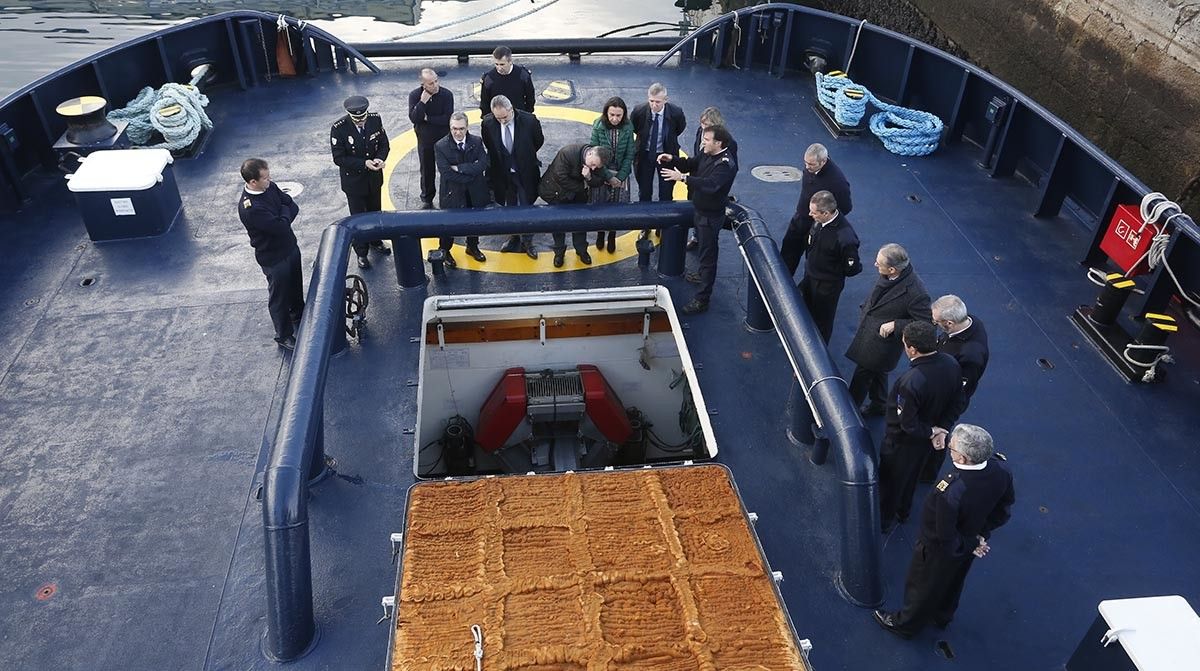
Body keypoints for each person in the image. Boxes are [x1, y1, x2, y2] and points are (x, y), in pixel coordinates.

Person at [874, 423, 1015, 639]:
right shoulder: (1001, 470)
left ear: (963, 459)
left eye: (952, 449)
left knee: (922, 586)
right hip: (970, 540)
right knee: (955, 581)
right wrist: (979, 537)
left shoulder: (951, 489)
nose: (950, 450)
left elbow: (944, 534)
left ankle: (906, 625)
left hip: (937, 549)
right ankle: (942, 616)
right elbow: (1004, 508)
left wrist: (970, 543)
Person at [877, 321, 963, 532]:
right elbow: (958, 402)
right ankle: (903, 512)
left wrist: (931, 431)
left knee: (890, 483)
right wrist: (942, 429)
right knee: (912, 476)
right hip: (925, 443)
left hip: (902, 443)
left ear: (912, 349)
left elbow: (907, 422)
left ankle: (884, 520)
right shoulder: (951, 364)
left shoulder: (911, 381)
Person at [659, 124, 738, 315]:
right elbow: (693, 163)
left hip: (710, 217)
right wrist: (672, 159)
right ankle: (702, 277)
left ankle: (702, 299)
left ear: (718, 143)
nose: (703, 142)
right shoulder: (708, 153)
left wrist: (683, 178)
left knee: (708, 258)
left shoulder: (725, 165)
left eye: (707, 139)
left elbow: (711, 185)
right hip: (700, 211)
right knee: (704, 251)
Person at [845, 243, 932, 416]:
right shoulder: (891, 276)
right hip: (871, 331)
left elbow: (925, 324)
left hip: (882, 343)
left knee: (863, 374)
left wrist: (896, 325)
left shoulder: (916, 293)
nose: (875, 265)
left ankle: (849, 410)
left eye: (879, 263)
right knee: (878, 370)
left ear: (892, 269)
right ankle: (880, 403)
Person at [920, 295, 991, 481]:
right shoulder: (970, 321)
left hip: (943, 401)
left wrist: (943, 424)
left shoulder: (970, 355)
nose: (934, 325)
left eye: (936, 322)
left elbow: (959, 393)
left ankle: (928, 473)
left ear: (949, 323)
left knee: (937, 436)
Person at [237, 158, 304, 350]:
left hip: (289, 247)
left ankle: (298, 312)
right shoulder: (251, 209)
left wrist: (283, 212)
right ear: (252, 182)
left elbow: (292, 205)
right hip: (274, 258)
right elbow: (281, 226)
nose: (270, 180)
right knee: (279, 296)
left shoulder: (269, 187)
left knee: (295, 284)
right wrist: (284, 212)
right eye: (265, 178)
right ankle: (283, 334)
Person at [329, 95, 391, 269]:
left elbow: (384, 144)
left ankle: (376, 241)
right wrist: (364, 164)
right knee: (358, 218)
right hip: (354, 183)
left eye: (363, 118)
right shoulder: (339, 129)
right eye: (357, 119)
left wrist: (379, 158)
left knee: (375, 212)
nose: (361, 122)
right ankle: (361, 252)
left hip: (373, 179)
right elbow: (339, 158)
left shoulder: (375, 120)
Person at [481, 95, 544, 260]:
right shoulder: (488, 123)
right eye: (498, 118)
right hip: (503, 174)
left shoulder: (529, 121)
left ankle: (527, 241)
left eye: (505, 117)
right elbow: (490, 145)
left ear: (511, 110)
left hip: (525, 173)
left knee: (526, 205)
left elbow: (538, 141)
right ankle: (514, 236)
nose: (502, 121)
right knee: (509, 205)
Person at [795, 190, 862, 343]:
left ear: (826, 213)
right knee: (805, 306)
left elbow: (852, 268)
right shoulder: (819, 222)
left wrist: (831, 273)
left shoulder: (845, 238)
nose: (810, 215)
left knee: (822, 319)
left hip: (827, 286)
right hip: (810, 275)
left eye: (814, 212)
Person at [780, 143, 853, 277]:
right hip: (801, 217)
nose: (807, 167)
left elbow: (846, 207)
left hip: (817, 224)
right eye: (805, 163)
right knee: (789, 250)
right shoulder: (811, 166)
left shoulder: (837, 182)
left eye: (811, 164)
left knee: (814, 259)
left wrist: (823, 219)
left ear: (823, 161)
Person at [538, 144, 613, 267]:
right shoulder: (567, 153)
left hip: (577, 195)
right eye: (593, 164)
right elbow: (560, 177)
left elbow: (599, 180)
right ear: (589, 154)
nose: (594, 168)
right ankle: (559, 253)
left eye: (596, 166)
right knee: (557, 224)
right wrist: (583, 185)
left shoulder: (596, 162)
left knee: (580, 223)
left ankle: (581, 250)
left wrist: (588, 177)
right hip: (557, 193)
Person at [433, 111, 489, 268]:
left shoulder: (477, 142)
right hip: (453, 193)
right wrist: (471, 175)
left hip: (474, 192)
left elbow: (483, 163)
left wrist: (460, 168)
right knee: (448, 225)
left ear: (467, 127)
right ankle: (444, 250)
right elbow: (447, 173)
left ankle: (472, 246)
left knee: (474, 221)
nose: (458, 132)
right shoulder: (441, 146)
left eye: (461, 129)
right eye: (454, 129)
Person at [686, 107, 738, 251]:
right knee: (694, 207)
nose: (704, 129)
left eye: (707, 126)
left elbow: (731, 168)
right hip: (697, 178)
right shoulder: (701, 132)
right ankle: (696, 236)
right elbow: (698, 157)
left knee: (708, 222)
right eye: (702, 125)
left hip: (710, 186)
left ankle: (703, 240)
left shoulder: (729, 144)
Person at [588, 96, 635, 253]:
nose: (615, 119)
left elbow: (630, 154)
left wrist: (620, 177)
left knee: (616, 206)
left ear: (624, 115)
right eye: (612, 115)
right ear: (606, 114)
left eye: (618, 115)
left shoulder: (628, 128)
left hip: (620, 171)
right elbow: (594, 153)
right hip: (603, 171)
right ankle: (601, 234)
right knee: (601, 204)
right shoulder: (598, 126)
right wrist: (608, 176)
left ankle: (612, 236)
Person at [631, 82, 686, 205]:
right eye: (651, 101)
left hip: (666, 155)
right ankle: (645, 220)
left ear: (665, 100)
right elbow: (635, 128)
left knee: (666, 192)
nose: (654, 105)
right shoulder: (639, 111)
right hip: (645, 154)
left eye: (657, 102)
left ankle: (664, 223)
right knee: (644, 191)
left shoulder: (676, 112)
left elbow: (679, 128)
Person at [407, 67, 454, 210]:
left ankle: (449, 195)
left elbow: (447, 119)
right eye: (431, 83)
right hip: (425, 140)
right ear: (423, 85)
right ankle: (427, 198)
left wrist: (428, 118)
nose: (435, 85)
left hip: (444, 140)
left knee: (447, 169)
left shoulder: (446, 95)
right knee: (426, 171)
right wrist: (422, 103)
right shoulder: (415, 96)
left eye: (436, 81)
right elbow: (414, 118)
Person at [479, 45, 535, 114]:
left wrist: (526, 116)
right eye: (496, 64)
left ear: (510, 61)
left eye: (502, 64)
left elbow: (530, 98)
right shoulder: (489, 79)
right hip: (497, 119)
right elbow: (485, 103)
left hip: (519, 118)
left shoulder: (522, 75)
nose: (499, 68)